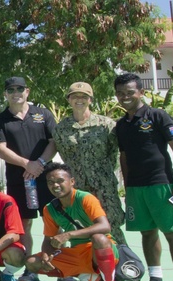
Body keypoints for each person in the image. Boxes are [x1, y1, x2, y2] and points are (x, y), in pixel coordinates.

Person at [113, 73, 173, 281]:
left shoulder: (158, 115)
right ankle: (156, 280)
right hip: (136, 188)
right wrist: (126, 185)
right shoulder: (122, 124)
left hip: (162, 184)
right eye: (120, 93)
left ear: (141, 92)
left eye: (130, 92)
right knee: (147, 232)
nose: (125, 97)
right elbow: (123, 156)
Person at [0, 76, 58, 281]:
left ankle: (58, 268)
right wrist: (25, 164)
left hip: (46, 179)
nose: (15, 92)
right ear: (6, 94)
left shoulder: (43, 114)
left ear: (27, 91)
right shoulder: (0, 120)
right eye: (11, 89)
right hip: (18, 181)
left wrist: (38, 163)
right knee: (24, 225)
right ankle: (31, 270)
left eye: (20, 88)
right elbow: (0, 149)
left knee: (54, 224)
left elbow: (54, 142)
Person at [25, 163, 120, 281]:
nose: (55, 185)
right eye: (50, 182)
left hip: (99, 250)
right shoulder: (50, 208)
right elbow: (47, 240)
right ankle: (86, 276)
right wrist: (46, 255)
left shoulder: (85, 198)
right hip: (77, 253)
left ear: (72, 182)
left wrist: (69, 234)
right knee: (32, 262)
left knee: (98, 238)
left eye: (60, 181)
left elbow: (104, 226)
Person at [54, 82, 126, 246]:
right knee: (80, 225)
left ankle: (123, 265)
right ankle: (85, 268)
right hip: (78, 188)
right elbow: (65, 156)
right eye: (75, 96)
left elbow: (114, 152)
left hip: (104, 186)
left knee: (111, 225)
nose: (79, 100)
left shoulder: (106, 124)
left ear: (91, 100)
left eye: (84, 96)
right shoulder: (61, 128)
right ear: (69, 99)